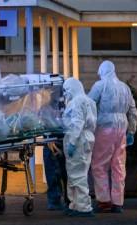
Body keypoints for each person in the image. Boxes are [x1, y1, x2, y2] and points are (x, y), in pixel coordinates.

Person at [88, 60, 137, 213]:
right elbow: (133, 110)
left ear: (102, 72)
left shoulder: (100, 86)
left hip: (104, 127)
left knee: (99, 164)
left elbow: (88, 104)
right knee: (118, 165)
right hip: (121, 128)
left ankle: (104, 201)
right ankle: (118, 202)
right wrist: (131, 131)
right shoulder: (125, 87)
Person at [62, 78, 97, 217]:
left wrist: (72, 142)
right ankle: (75, 205)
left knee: (77, 175)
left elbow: (77, 123)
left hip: (77, 140)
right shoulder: (89, 101)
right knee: (75, 173)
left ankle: (84, 208)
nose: (65, 93)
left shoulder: (77, 102)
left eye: (66, 90)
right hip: (85, 138)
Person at [43, 141, 68, 211]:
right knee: (55, 173)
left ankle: (56, 200)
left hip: (55, 138)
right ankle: (58, 201)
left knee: (55, 172)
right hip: (55, 139)